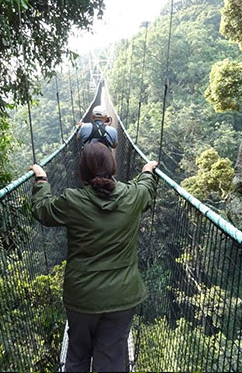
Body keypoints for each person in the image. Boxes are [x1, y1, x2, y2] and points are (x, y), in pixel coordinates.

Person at [30, 142, 158, 372]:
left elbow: (43, 210)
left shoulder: (72, 200)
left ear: (81, 172)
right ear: (113, 168)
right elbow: (147, 189)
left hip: (82, 298)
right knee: (111, 362)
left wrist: (41, 181)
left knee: (78, 356)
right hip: (122, 296)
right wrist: (147, 171)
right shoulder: (133, 196)